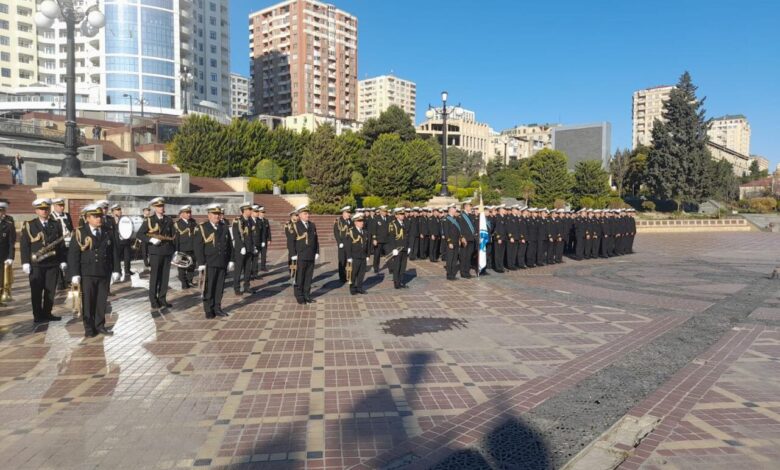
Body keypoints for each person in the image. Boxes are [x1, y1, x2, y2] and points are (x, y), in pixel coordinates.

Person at [68, 204, 120, 338]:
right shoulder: (80, 232)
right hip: (87, 272)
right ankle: (89, 328)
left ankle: (100, 325)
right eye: (95, 217)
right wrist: (74, 273)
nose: (99, 219)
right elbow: (73, 255)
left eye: (100, 216)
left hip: (104, 271)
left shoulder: (108, 231)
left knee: (101, 301)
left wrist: (116, 270)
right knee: (88, 302)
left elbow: (114, 252)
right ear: (87, 218)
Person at [20, 198, 66, 324]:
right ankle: (38, 315)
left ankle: (47, 312)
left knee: (50, 290)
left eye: (46, 209)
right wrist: (25, 262)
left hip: (52, 262)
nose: (44, 211)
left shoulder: (55, 224)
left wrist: (63, 260)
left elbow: (60, 244)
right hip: (37, 263)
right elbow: (24, 245)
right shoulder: (30, 225)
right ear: (36, 210)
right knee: (36, 291)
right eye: (41, 209)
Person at [194, 204, 234, 318]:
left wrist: (231, 260)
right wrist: (201, 263)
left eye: (218, 214)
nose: (217, 216)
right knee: (209, 286)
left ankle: (217, 307)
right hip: (209, 262)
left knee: (219, 287)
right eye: (214, 214)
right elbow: (198, 246)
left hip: (222, 261)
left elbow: (230, 245)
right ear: (209, 215)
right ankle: (208, 309)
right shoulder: (203, 227)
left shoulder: (224, 226)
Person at [136, 197, 175, 312]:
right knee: (155, 277)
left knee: (165, 277)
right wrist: (151, 240)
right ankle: (153, 300)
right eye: (158, 206)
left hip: (167, 251)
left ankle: (162, 298)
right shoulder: (149, 220)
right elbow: (140, 234)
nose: (161, 208)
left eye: (162, 206)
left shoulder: (168, 220)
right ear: (154, 208)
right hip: (155, 252)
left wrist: (174, 250)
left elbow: (173, 236)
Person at [290, 205, 319, 304]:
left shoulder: (312, 225)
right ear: (300, 215)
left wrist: (317, 251)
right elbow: (291, 241)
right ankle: (299, 296)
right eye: (305, 214)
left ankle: (307, 295)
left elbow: (316, 240)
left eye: (308, 214)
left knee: (308, 277)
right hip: (301, 255)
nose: (308, 215)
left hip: (310, 255)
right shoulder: (295, 225)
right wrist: (293, 253)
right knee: (300, 276)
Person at [231, 204, 255, 296]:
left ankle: (246, 286)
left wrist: (254, 246)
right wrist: (241, 246)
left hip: (249, 248)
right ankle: (236, 288)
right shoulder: (238, 221)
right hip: (240, 249)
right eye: (249, 209)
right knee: (238, 269)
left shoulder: (249, 220)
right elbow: (236, 235)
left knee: (247, 269)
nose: (250, 211)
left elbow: (252, 235)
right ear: (244, 210)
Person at [50, 198, 74, 290]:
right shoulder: (51, 216)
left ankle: (68, 280)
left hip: (68, 241)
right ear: (55, 206)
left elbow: (70, 227)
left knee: (69, 260)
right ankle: (60, 282)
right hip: (58, 241)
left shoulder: (67, 215)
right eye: (60, 206)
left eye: (63, 205)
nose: (62, 207)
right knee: (58, 261)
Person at [344, 212, 370, 295]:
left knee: (361, 273)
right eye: (359, 221)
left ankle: (359, 287)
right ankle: (352, 288)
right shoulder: (351, 231)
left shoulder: (365, 232)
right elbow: (348, 245)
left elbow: (368, 244)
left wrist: (368, 255)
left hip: (363, 256)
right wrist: (349, 257)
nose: (362, 223)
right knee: (353, 273)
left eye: (362, 221)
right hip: (354, 256)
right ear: (355, 222)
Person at [174, 205, 197, 289]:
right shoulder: (177, 224)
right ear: (182, 213)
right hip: (182, 248)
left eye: (189, 212)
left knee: (192, 266)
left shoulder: (193, 222)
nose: (189, 214)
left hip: (193, 247)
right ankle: (184, 283)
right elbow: (176, 239)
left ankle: (190, 280)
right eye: (187, 213)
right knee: (182, 267)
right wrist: (176, 250)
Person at [387, 208, 410, 288]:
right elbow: (391, 237)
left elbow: (407, 236)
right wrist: (393, 249)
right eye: (400, 214)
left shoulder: (405, 223)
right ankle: (396, 283)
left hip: (404, 248)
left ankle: (401, 281)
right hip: (397, 248)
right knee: (397, 266)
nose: (402, 216)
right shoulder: (393, 224)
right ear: (396, 215)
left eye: (403, 214)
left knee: (403, 266)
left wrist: (408, 246)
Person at [110, 204, 133, 279]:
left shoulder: (124, 219)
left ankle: (127, 270)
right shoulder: (111, 220)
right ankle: (117, 271)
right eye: (117, 210)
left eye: (120, 210)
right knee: (117, 257)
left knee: (127, 256)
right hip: (117, 241)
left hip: (125, 241)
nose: (120, 211)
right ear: (113, 211)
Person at [0, 202, 15, 308]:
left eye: (1, 211)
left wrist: (10, 257)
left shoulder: (8, 225)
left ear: (4, 212)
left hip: (2, 257)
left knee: (1, 279)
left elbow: (11, 243)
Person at [458, 202, 478, 277]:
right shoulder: (461, 216)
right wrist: (462, 237)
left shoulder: (471, 216)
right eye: (470, 206)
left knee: (469, 256)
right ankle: (463, 272)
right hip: (465, 239)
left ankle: (467, 271)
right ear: (466, 207)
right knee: (464, 256)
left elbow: (475, 226)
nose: (471, 208)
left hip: (471, 239)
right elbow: (460, 228)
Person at [333, 206, 352, 283]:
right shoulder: (338, 221)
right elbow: (336, 232)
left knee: (349, 260)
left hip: (350, 244)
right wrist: (339, 242)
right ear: (343, 213)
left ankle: (349, 275)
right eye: (348, 213)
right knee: (342, 260)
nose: (349, 214)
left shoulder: (351, 221)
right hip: (343, 244)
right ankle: (342, 277)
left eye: (349, 213)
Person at [370, 205, 390, 273]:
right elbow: (373, 229)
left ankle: (391, 268)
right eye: (384, 211)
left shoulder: (388, 218)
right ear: (380, 211)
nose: (385, 213)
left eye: (386, 211)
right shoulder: (376, 218)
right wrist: (374, 239)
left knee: (389, 254)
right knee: (377, 255)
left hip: (387, 240)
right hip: (378, 240)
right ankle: (376, 267)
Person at [256, 206, 271, 272]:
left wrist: (269, 239)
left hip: (264, 240)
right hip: (258, 240)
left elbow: (268, 231)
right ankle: (255, 268)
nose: (263, 214)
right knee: (256, 255)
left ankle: (263, 266)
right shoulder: (256, 220)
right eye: (261, 212)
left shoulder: (265, 220)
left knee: (264, 254)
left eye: (263, 213)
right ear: (258, 213)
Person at [284, 209, 299, 280]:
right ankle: (292, 272)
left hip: (298, 244)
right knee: (292, 260)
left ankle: (296, 272)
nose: (297, 217)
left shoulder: (299, 223)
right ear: (291, 216)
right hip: (291, 244)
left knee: (298, 260)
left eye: (297, 215)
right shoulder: (288, 224)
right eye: (295, 215)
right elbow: (289, 236)